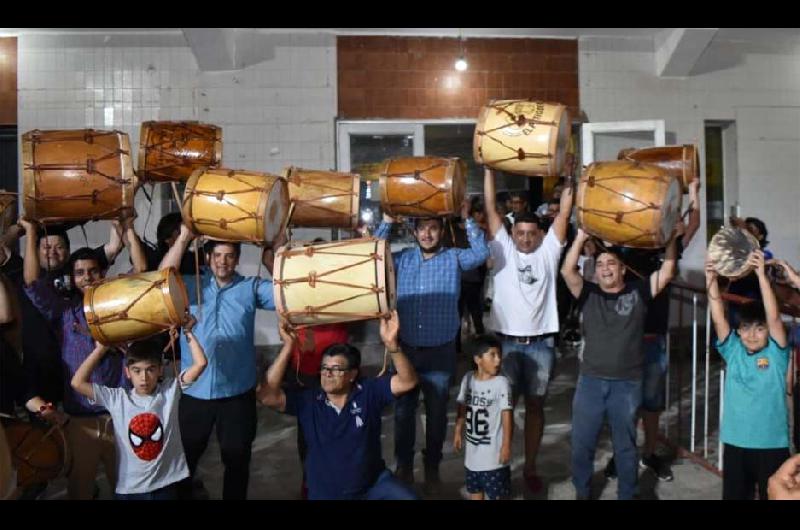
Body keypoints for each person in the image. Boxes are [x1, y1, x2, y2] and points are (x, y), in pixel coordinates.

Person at [19, 216, 147, 499]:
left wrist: (128, 228)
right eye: (80, 273)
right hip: (80, 422)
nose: (87, 278)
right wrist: (29, 232)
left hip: (120, 416)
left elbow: (140, 271)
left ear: (102, 274)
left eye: (93, 271)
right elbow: (30, 281)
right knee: (80, 490)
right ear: (72, 279)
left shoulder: (118, 307)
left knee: (126, 489)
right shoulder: (64, 313)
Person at [374, 200, 489, 492]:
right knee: (403, 413)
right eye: (422, 229)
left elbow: (481, 253)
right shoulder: (401, 260)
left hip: (441, 351)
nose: (427, 234)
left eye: (433, 228)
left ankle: (433, 466)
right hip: (406, 350)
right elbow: (373, 255)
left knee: (437, 414)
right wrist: (387, 221)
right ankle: (403, 466)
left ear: (442, 230)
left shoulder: (453, 258)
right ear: (413, 231)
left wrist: (467, 220)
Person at [159, 222, 276, 500]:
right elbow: (160, 278)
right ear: (208, 257)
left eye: (230, 256)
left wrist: (274, 248)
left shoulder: (251, 288)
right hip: (195, 392)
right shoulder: (189, 285)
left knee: (237, 462)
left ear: (237, 259)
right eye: (218, 255)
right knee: (185, 461)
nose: (223, 262)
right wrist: (185, 234)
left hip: (237, 394)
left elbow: (288, 292)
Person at [561, 228, 678, 500]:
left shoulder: (639, 291)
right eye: (600, 265)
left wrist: (671, 239)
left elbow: (668, 270)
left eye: (611, 263)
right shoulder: (588, 293)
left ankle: (627, 493)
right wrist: (579, 238)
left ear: (623, 269)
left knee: (625, 446)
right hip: (590, 381)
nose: (605, 269)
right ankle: (583, 492)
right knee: (582, 444)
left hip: (626, 384)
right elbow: (568, 271)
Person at [258, 311, 419, 500]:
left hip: (373, 485)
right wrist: (288, 346)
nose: (327, 374)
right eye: (324, 368)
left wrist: (392, 345)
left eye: (336, 369)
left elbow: (408, 382)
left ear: (352, 374)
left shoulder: (368, 392)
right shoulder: (309, 401)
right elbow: (267, 396)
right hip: (329, 493)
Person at [482, 166, 574, 493]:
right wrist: (489, 170)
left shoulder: (549, 253)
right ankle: (500, 467)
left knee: (535, 408)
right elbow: (491, 209)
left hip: (541, 347)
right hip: (506, 347)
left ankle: (531, 468)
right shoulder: (503, 250)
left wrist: (569, 179)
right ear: (513, 233)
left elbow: (564, 212)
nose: (524, 238)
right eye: (519, 233)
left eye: (530, 234)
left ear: (540, 235)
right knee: (502, 409)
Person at [605, 180, 701, 482]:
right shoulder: (620, 247)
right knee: (623, 404)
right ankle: (622, 454)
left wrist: (693, 191)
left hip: (654, 339)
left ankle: (648, 454)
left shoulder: (664, 245)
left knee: (652, 403)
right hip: (623, 341)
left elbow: (693, 223)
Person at [70, 319, 207, 500]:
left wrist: (188, 332)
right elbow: (77, 382)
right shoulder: (118, 399)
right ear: (127, 372)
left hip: (165, 485)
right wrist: (100, 349)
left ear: (160, 370)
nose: (144, 378)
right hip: (130, 489)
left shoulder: (169, 391)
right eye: (137, 370)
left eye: (150, 370)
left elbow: (200, 364)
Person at [707, 249, 790, 500]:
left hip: (771, 446)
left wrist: (761, 276)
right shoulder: (733, 351)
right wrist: (709, 277)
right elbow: (718, 316)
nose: (752, 335)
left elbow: (773, 316)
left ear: (768, 331)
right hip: (735, 444)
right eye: (745, 328)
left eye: (759, 328)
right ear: (739, 331)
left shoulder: (777, 354)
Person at [286, 321, 349, 499]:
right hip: (305, 365)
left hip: (338, 364)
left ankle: (338, 484)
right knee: (308, 432)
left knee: (339, 428)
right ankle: (310, 483)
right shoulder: (296, 291)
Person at [453, 334, 513, 500]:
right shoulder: (467, 379)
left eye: (499, 355)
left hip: (494, 460)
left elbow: (507, 415)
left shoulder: (501, 383)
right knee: (475, 493)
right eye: (492, 355)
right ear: (478, 359)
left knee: (498, 496)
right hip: (472, 459)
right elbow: (462, 406)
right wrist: (458, 431)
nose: (498, 360)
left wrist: (506, 445)